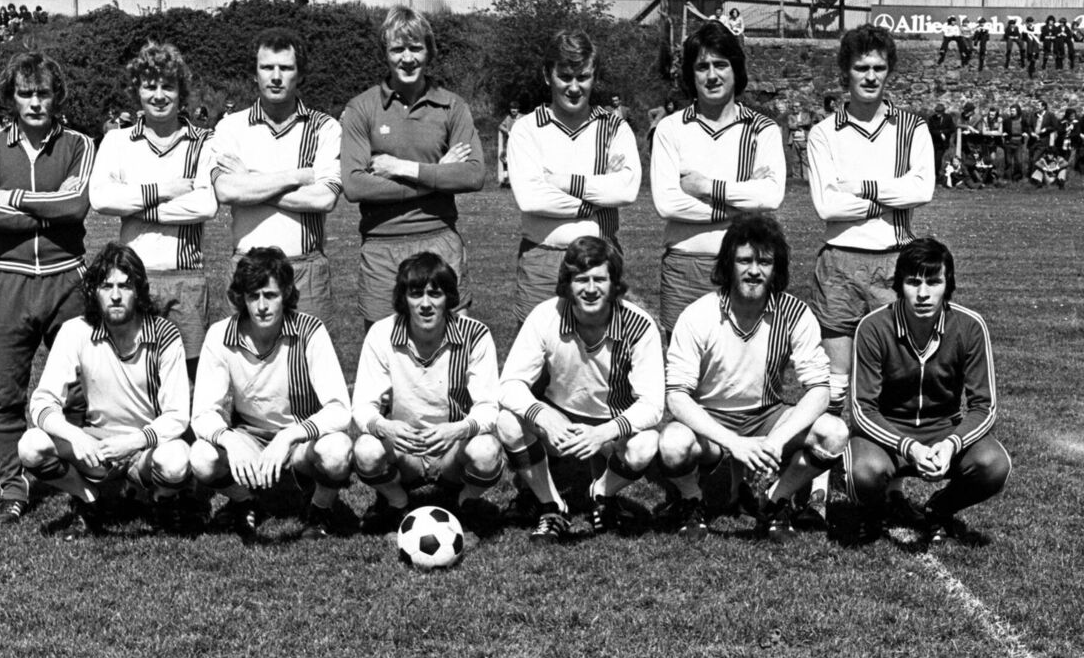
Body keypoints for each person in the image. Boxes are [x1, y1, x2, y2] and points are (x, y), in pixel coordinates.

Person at [804, 24, 935, 524]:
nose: (871, 76)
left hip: (895, 259)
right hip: (839, 261)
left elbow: (922, 190)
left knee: (892, 379)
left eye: (879, 68)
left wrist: (857, 185)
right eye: (861, 67)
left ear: (890, 71)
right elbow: (825, 205)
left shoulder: (912, 128)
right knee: (835, 383)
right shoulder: (823, 132)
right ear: (845, 72)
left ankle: (887, 477)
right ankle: (816, 483)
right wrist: (888, 189)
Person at [658, 214, 845, 541]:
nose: (754, 271)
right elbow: (676, 396)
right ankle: (693, 500)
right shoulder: (699, 314)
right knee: (673, 444)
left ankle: (777, 500)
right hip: (712, 420)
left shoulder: (795, 314)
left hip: (766, 416)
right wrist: (733, 443)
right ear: (728, 263)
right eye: (744, 260)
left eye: (765, 262)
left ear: (778, 267)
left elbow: (819, 389)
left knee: (833, 432)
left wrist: (776, 440)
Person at [0, 52, 95, 524]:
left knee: (81, 393)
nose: (35, 102)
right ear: (11, 98)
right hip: (9, 281)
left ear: (56, 95)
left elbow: (77, 206)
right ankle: (13, 487)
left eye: (43, 93)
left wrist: (17, 199)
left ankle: (83, 481)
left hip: (69, 278)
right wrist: (51, 206)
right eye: (26, 93)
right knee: (7, 394)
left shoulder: (80, 144)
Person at [17, 243, 191, 539]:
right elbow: (42, 402)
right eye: (106, 286)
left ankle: (162, 501)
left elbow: (177, 416)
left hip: (147, 447)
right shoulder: (76, 331)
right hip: (98, 446)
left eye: (125, 286)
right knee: (31, 446)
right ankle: (89, 500)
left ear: (139, 290)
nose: (115, 295)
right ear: (93, 292)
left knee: (175, 462)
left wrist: (135, 441)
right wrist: (76, 436)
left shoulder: (164, 334)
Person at [496, 236, 664, 542]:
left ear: (614, 283)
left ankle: (601, 493)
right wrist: (543, 415)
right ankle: (552, 506)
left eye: (600, 279)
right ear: (567, 283)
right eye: (580, 279)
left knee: (646, 444)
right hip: (558, 420)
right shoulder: (546, 315)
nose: (590, 288)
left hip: (610, 427)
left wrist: (603, 433)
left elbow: (653, 405)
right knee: (507, 421)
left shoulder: (639, 325)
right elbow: (509, 384)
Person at [848, 238, 1009, 544]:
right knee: (863, 472)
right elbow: (862, 409)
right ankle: (874, 511)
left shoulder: (970, 326)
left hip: (943, 430)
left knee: (995, 464)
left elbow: (984, 407)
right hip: (887, 434)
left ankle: (938, 509)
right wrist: (909, 447)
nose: (923, 294)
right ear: (899, 285)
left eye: (934, 282)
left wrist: (951, 444)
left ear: (948, 284)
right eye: (913, 282)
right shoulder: (873, 327)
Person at [190, 247, 354, 541]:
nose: (262, 305)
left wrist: (289, 436)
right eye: (253, 296)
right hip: (250, 438)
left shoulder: (309, 331)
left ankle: (319, 509)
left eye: (271, 295)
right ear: (242, 298)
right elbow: (202, 412)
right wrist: (229, 439)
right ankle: (245, 502)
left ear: (286, 295)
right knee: (202, 456)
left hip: (299, 442)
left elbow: (340, 409)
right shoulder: (220, 334)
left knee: (337, 450)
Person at [341, 6, 484, 330]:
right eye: (397, 49)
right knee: (385, 358)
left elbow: (474, 175)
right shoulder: (361, 108)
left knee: (453, 352)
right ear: (385, 53)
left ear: (429, 51)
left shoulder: (453, 106)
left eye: (416, 48)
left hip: (440, 242)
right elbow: (355, 185)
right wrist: (437, 175)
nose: (407, 58)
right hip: (381, 249)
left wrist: (401, 168)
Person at [89, 42, 218, 380]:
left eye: (168, 86)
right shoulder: (117, 141)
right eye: (150, 86)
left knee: (189, 378)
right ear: (137, 91)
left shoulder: (202, 141)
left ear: (181, 91)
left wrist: (141, 209)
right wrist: (162, 191)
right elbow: (101, 198)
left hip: (186, 277)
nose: (159, 95)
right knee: (134, 376)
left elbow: (206, 204)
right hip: (132, 280)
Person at [351, 252, 503, 534]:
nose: (425, 304)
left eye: (435, 294)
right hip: (404, 450)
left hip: (452, 452)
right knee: (366, 449)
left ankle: (463, 503)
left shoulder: (475, 335)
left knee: (487, 451)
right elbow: (362, 406)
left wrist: (457, 430)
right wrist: (386, 426)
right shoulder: (381, 334)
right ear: (403, 298)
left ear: (449, 298)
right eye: (416, 294)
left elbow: (489, 408)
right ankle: (398, 503)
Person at [652, 21, 785, 337]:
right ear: (690, 74)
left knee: (743, 366)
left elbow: (770, 196)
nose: (712, 75)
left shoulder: (762, 130)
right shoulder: (670, 129)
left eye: (720, 64)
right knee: (681, 372)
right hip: (685, 266)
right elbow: (668, 203)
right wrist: (740, 209)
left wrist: (706, 187)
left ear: (736, 69)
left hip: (746, 264)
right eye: (702, 66)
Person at [506, 30, 640, 325]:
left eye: (583, 77)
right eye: (565, 77)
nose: (575, 87)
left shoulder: (614, 127)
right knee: (537, 363)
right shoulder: (527, 129)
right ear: (547, 75)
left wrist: (563, 182)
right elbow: (530, 198)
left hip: (602, 258)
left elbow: (627, 190)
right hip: (543, 259)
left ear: (595, 76)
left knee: (602, 359)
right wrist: (593, 201)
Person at [211, 29, 342, 328]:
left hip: (304, 268)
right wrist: (295, 177)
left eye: (286, 68)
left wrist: (250, 180)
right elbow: (226, 191)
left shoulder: (325, 127)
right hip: (245, 266)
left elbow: (324, 199)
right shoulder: (231, 127)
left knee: (305, 369)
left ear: (301, 74)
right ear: (254, 73)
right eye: (267, 67)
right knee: (242, 368)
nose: (276, 76)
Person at [926, 102, 954, 178]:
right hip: (934, 142)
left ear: (943, 112)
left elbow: (952, 129)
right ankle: (933, 174)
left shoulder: (948, 117)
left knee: (938, 159)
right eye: (936, 111)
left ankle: (936, 174)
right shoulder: (932, 118)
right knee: (932, 158)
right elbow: (930, 129)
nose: (937, 113)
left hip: (943, 144)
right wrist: (940, 134)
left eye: (939, 112)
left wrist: (943, 132)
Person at [787, 101, 813, 180]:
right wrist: (799, 124)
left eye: (796, 106)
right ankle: (796, 178)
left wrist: (796, 124)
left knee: (805, 159)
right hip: (794, 141)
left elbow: (807, 122)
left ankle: (806, 178)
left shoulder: (806, 115)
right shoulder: (790, 116)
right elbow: (790, 125)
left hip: (804, 140)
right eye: (793, 106)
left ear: (800, 107)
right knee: (795, 160)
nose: (794, 108)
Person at [496, 101, 519, 188]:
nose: (514, 111)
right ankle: (506, 181)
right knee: (505, 159)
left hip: (520, 144)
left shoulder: (522, 118)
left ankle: (517, 181)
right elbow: (500, 126)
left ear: (518, 109)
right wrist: (507, 131)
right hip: (509, 144)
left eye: (515, 109)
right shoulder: (508, 118)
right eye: (512, 109)